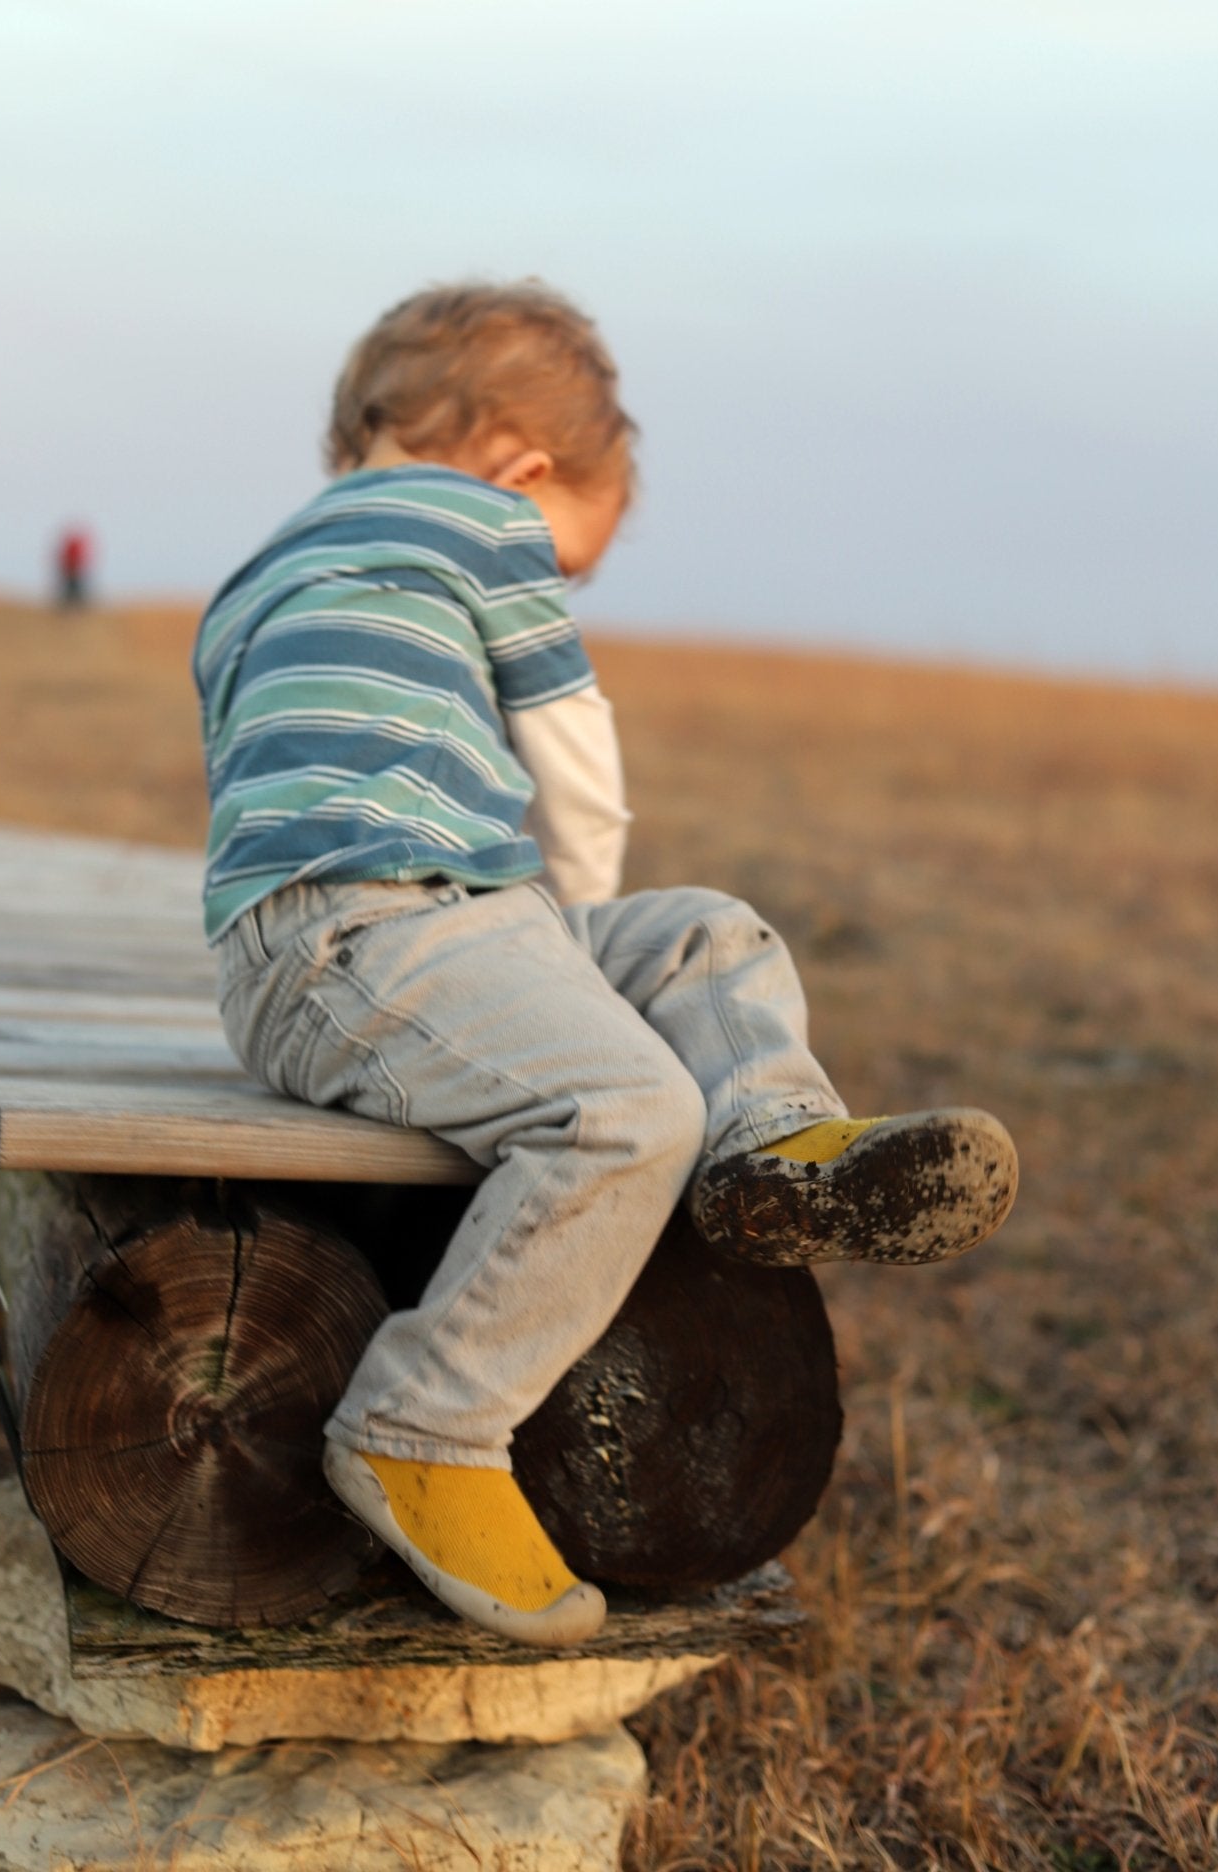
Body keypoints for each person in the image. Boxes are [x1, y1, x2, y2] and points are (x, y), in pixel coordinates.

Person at [194, 281, 1018, 1648]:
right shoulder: (478, 519)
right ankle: (425, 1421)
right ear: (523, 473)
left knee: (705, 931)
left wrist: (543, 940)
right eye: (572, 562)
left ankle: (777, 1154)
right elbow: (571, 750)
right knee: (626, 1112)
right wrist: (565, 946)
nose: (553, 575)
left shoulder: (250, 581)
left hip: (349, 933)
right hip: (366, 935)